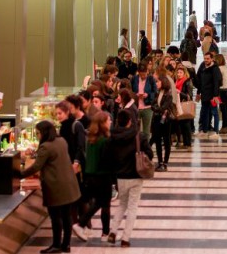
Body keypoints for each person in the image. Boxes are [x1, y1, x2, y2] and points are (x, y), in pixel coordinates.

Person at [21, 120, 81, 254]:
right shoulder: (61, 141)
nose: (37, 136)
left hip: (56, 186)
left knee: (55, 217)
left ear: (44, 132)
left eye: (37, 133)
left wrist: (19, 175)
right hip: (69, 184)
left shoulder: (46, 146)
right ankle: (66, 245)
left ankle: (56, 245)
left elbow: (37, 166)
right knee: (66, 216)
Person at [106, 108, 153, 247]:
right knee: (132, 207)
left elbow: (109, 158)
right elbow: (149, 154)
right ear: (130, 121)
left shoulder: (112, 137)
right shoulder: (139, 136)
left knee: (122, 204)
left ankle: (113, 231)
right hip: (135, 176)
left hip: (120, 177)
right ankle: (125, 238)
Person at [72, 112, 112, 243]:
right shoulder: (105, 140)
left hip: (90, 175)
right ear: (102, 123)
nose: (110, 122)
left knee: (102, 203)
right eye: (108, 120)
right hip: (102, 176)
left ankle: (105, 233)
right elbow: (106, 160)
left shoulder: (91, 139)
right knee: (102, 203)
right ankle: (81, 224)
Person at [151, 75, 176, 171]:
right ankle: (159, 162)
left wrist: (156, 108)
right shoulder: (158, 93)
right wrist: (156, 108)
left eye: (158, 82)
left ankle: (165, 163)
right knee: (157, 141)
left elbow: (163, 108)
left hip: (166, 120)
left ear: (163, 83)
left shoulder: (168, 95)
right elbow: (152, 104)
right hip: (157, 119)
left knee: (166, 141)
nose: (156, 83)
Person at [195, 52, 222, 138]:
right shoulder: (202, 66)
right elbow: (199, 80)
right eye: (205, 58)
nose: (206, 60)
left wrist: (215, 95)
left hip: (212, 95)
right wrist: (198, 92)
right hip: (204, 94)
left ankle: (216, 132)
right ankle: (205, 131)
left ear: (212, 59)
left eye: (208, 59)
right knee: (205, 112)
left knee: (214, 112)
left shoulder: (215, 68)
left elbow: (216, 83)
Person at [131, 63, 158, 138]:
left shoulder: (151, 79)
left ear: (147, 72)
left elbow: (155, 92)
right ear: (138, 72)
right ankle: (137, 146)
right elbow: (131, 91)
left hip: (148, 107)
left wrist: (148, 95)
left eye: (144, 74)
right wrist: (135, 95)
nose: (143, 76)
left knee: (146, 130)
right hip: (136, 106)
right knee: (136, 128)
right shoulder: (134, 79)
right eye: (141, 74)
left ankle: (146, 146)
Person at [174, 65, 194, 149]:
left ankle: (188, 143)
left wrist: (179, 92)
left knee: (186, 125)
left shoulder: (187, 81)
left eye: (180, 72)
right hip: (179, 105)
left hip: (185, 105)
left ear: (184, 73)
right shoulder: (176, 82)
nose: (179, 74)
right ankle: (185, 143)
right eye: (178, 72)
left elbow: (189, 95)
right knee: (181, 125)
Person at [215, 54, 227, 134]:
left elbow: (217, 80)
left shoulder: (219, 68)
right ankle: (226, 126)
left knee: (223, 109)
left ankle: (224, 127)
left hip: (221, 90)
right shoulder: (225, 67)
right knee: (225, 108)